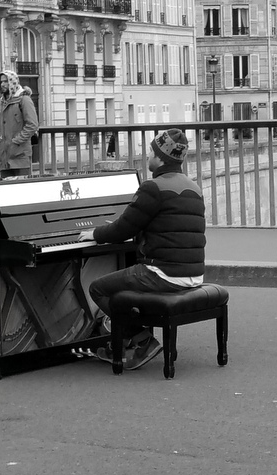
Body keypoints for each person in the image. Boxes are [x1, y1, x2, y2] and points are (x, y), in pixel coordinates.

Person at [78, 128, 206, 370]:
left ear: (159, 157)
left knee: (99, 289)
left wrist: (95, 233)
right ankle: (127, 340)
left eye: (151, 151)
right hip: (193, 273)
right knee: (125, 286)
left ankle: (141, 338)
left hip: (163, 273)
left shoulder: (153, 187)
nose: (148, 155)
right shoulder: (194, 188)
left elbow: (122, 230)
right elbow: (168, 228)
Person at [0, 70, 39, 179]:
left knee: (21, 190)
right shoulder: (0, 102)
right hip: (3, 157)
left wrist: (16, 141)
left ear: (13, 82)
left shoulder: (24, 99)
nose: (3, 84)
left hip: (20, 155)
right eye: (1, 82)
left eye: (6, 81)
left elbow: (32, 124)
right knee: (7, 191)